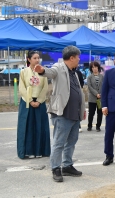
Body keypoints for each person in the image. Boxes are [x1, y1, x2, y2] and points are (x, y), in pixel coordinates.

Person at [34, 46, 86, 182]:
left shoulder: (73, 72)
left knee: (72, 141)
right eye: (78, 57)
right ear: (72, 58)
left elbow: (78, 91)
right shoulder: (59, 67)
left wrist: (82, 109)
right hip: (62, 113)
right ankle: (56, 167)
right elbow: (49, 72)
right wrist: (42, 70)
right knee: (59, 142)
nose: (79, 60)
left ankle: (67, 165)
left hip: (75, 113)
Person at [17, 51, 50, 159]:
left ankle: (41, 151)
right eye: (35, 58)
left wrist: (39, 101)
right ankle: (27, 151)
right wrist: (30, 100)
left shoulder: (43, 72)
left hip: (40, 102)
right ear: (29, 59)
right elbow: (21, 88)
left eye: (38, 58)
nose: (37, 60)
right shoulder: (23, 72)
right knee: (27, 126)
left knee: (41, 126)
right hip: (27, 102)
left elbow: (45, 87)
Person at [87, 61, 104, 132]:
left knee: (100, 113)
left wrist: (100, 94)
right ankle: (89, 125)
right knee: (91, 113)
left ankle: (98, 126)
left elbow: (104, 86)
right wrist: (96, 94)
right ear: (91, 68)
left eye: (96, 67)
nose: (95, 69)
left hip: (100, 97)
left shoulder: (102, 76)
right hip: (92, 98)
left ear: (98, 68)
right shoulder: (89, 77)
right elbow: (89, 87)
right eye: (93, 67)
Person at [76, 69, 84, 133]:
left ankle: (78, 125)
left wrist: (79, 88)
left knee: (77, 110)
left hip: (78, 93)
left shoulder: (78, 72)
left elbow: (82, 82)